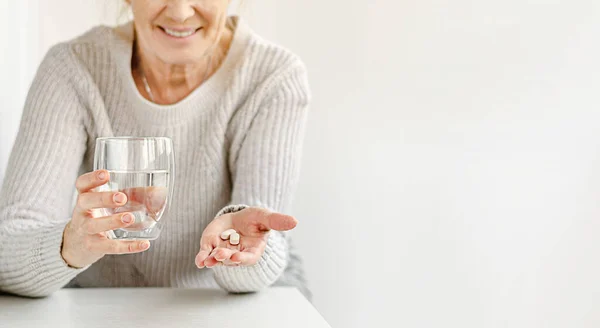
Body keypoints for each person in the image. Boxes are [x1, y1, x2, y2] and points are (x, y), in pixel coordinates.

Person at [0, 0, 311, 299]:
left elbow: (260, 244)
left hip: (230, 303)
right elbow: (8, 250)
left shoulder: (273, 78)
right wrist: (69, 246)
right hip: (99, 306)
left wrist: (236, 251)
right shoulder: (74, 68)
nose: (180, 11)